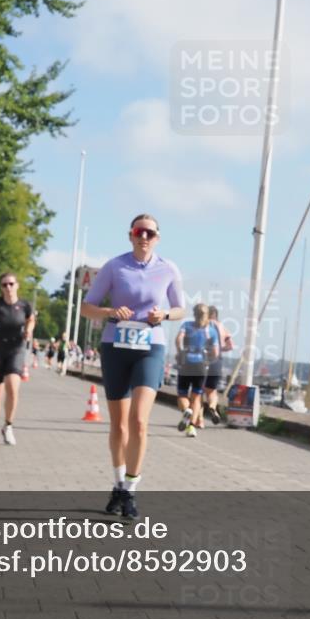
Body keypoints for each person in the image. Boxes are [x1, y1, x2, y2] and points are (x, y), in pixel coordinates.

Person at [81, 214, 185, 520]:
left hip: (150, 347)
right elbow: (87, 307)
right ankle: (117, 483)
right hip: (116, 346)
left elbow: (181, 309)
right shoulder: (115, 266)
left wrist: (164, 316)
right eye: (139, 232)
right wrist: (111, 310)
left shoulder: (168, 268)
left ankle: (130, 488)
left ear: (158, 238)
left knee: (140, 421)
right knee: (120, 425)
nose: (144, 237)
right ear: (130, 235)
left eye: (150, 233)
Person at [0, 273, 36, 445]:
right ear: (1, 288)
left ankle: (8, 426)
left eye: (11, 284)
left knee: (12, 387)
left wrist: (29, 329)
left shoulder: (24, 305)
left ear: (17, 285)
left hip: (16, 348)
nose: (8, 288)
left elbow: (31, 320)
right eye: (4, 285)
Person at [174, 303, 219, 437]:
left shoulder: (186, 325)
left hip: (186, 362)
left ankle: (186, 410)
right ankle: (192, 427)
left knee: (182, 394)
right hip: (201, 365)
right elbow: (216, 352)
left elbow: (178, 339)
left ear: (194, 314)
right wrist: (208, 359)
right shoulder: (211, 330)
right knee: (196, 397)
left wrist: (180, 352)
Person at [201, 305, 233, 426]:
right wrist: (219, 349)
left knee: (198, 391)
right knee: (212, 391)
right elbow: (230, 345)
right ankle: (213, 407)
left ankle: (199, 421)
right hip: (217, 360)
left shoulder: (203, 325)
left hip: (203, 359)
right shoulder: (222, 327)